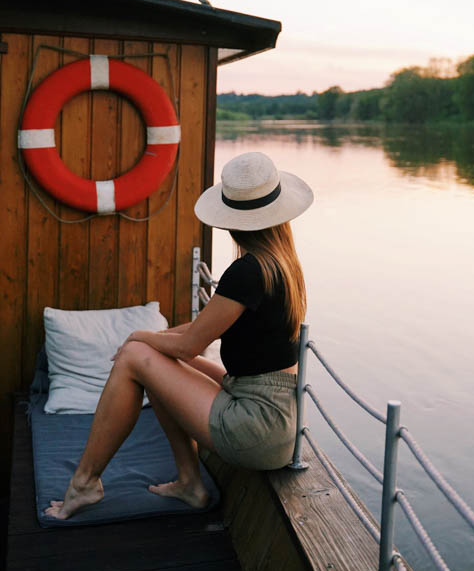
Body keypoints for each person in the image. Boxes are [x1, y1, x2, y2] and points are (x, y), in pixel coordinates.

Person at [44, 151, 313, 520]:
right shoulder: (280, 265)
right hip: (277, 415)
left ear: (231, 222)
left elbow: (190, 346)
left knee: (137, 357)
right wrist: (156, 338)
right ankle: (190, 482)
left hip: (256, 426)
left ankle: (85, 483)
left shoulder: (247, 272)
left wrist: (138, 336)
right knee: (152, 357)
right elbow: (198, 331)